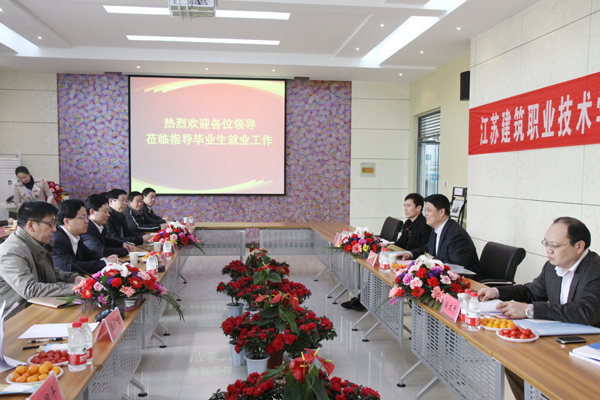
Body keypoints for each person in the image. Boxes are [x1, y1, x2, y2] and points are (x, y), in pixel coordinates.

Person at [478, 217, 600, 400]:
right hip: (560, 339)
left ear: (579, 246)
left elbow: (586, 312)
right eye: (546, 243)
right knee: (514, 362)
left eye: (555, 245)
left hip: (589, 346)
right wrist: (496, 292)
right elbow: (531, 291)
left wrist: (529, 310)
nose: (548, 250)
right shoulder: (552, 267)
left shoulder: (595, 270)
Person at [343, 193, 433, 311]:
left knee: (381, 271)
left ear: (419, 208)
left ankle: (364, 300)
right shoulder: (408, 223)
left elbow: (424, 248)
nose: (405, 209)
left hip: (413, 261)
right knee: (377, 268)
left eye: (408, 206)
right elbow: (401, 242)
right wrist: (387, 248)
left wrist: (406, 253)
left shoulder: (425, 225)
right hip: (402, 257)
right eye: (404, 205)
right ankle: (363, 299)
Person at [0, 201, 84, 318]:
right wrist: (74, 288)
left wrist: (74, 278)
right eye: (50, 224)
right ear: (31, 225)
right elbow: (30, 290)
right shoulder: (11, 251)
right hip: (17, 317)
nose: (54, 229)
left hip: (40, 307)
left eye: (55, 224)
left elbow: (51, 272)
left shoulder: (38, 242)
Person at [400, 194, 481, 278]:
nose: (425, 214)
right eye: (425, 210)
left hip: (467, 281)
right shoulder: (436, 229)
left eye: (429, 210)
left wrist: (433, 260)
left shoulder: (456, 234)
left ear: (442, 212)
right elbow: (427, 249)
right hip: (444, 277)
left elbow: (457, 267)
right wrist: (410, 254)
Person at [52, 199, 118, 274]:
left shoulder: (76, 236)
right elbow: (71, 266)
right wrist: (105, 263)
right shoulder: (57, 240)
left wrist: (104, 259)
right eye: (82, 217)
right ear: (67, 221)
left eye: (87, 217)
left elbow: (89, 255)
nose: (87, 221)